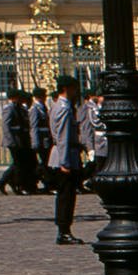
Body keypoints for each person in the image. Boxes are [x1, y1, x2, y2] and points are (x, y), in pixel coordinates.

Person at [48, 76, 85, 243]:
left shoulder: (58, 106)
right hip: (65, 155)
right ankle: (64, 230)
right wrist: (65, 162)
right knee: (66, 196)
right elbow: (63, 136)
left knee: (66, 196)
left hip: (65, 153)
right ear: (67, 88)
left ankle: (64, 229)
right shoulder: (64, 108)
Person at [0, 88, 37, 193]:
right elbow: (6, 126)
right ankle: (16, 184)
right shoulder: (9, 108)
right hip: (14, 140)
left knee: (19, 163)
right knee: (18, 164)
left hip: (21, 139)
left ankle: (4, 182)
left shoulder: (20, 108)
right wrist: (11, 140)